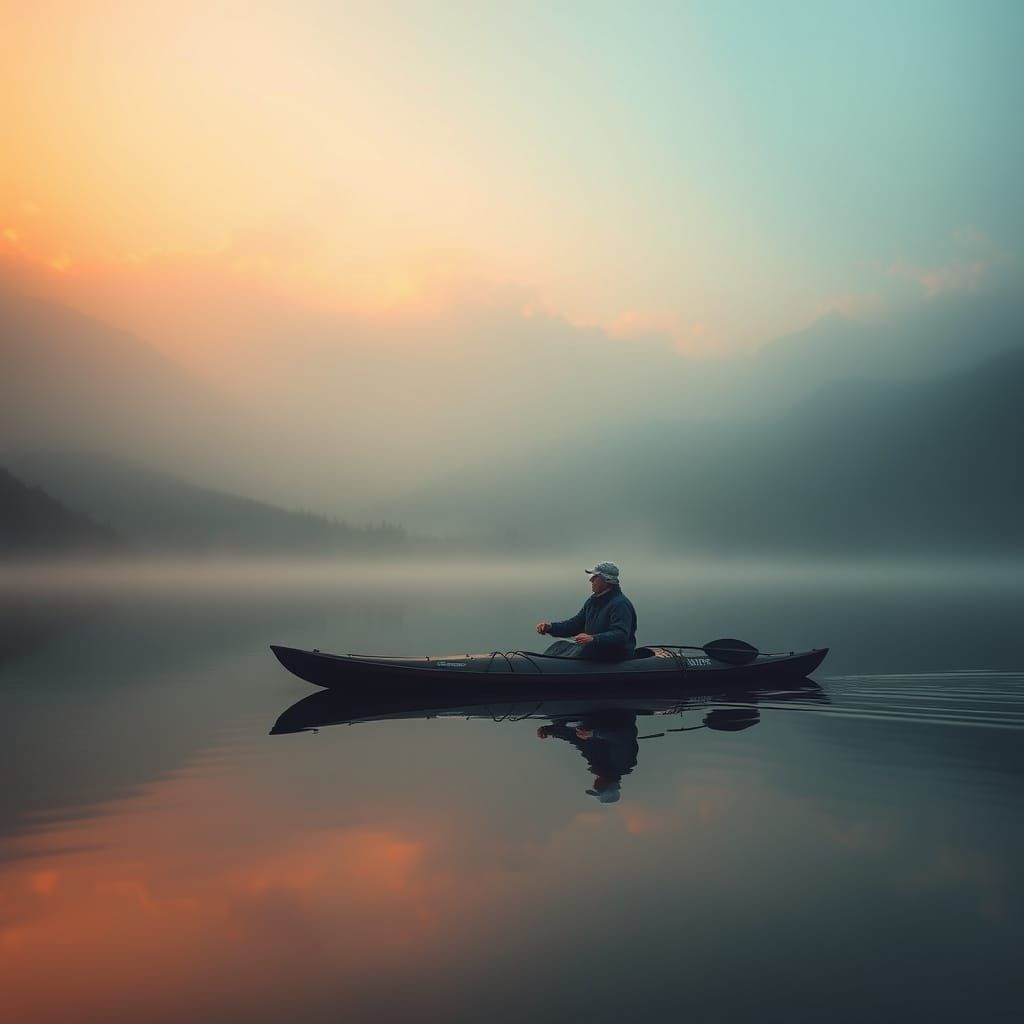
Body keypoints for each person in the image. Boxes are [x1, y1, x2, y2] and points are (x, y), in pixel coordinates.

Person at [535, 561, 637, 661]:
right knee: (559, 647)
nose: (591, 580)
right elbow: (576, 624)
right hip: (594, 650)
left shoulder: (620, 604)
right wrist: (551, 627)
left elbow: (621, 635)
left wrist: (594, 639)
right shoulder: (592, 601)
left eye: (595, 577)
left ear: (607, 580)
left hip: (613, 656)